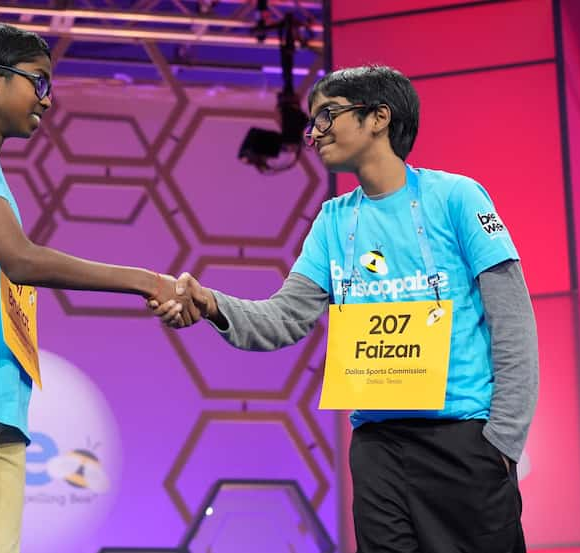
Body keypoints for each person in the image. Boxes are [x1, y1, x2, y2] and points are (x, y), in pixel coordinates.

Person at [151, 65, 538, 553]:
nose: (313, 134)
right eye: (312, 122)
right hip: (378, 449)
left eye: (327, 116)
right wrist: (211, 303)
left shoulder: (457, 197)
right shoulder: (333, 221)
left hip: (465, 441)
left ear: (378, 117)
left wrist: (502, 442)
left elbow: (514, 323)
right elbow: (284, 318)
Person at [0, 23, 196, 553]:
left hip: (1, 402)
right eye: (39, 82)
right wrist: (146, 280)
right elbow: (21, 259)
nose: (48, 101)